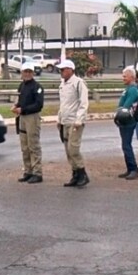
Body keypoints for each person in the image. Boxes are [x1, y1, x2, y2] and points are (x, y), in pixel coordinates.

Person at [57, 59, 90, 187]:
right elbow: (63, 104)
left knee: (73, 149)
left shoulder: (78, 83)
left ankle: (82, 173)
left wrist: (79, 119)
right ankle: (75, 174)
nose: (61, 72)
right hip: (65, 121)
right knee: (68, 150)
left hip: (75, 121)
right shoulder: (62, 84)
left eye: (63, 70)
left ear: (70, 70)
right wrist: (59, 119)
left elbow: (84, 103)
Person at [13, 62, 44, 184]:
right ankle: (28, 171)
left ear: (33, 73)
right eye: (25, 71)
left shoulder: (37, 87)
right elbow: (20, 100)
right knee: (24, 146)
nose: (27, 74)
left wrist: (23, 109)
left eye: (29, 72)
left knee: (33, 145)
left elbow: (38, 104)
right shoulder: (21, 86)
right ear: (22, 73)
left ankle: (37, 172)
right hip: (22, 117)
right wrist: (16, 106)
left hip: (32, 117)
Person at [115, 67, 138, 180]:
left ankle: (134, 169)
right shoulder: (129, 88)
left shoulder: (133, 90)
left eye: (125, 76)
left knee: (126, 145)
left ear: (131, 76)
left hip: (128, 120)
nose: (123, 78)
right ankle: (130, 169)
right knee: (125, 145)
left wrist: (120, 113)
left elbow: (126, 105)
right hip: (124, 120)